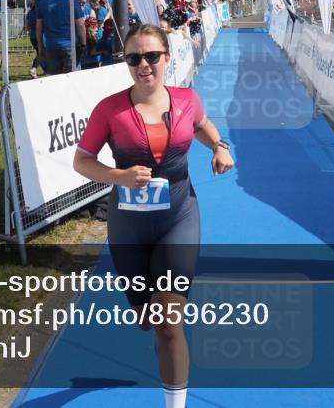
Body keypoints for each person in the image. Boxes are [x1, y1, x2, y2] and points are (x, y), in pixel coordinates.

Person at [73, 25, 234, 408]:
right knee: (147, 318)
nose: (143, 65)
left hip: (179, 217)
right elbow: (82, 161)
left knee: (167, 322)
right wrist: (119, 176)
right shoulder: (109, 110)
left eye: (150, 57)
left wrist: (220, 146)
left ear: (166, 57)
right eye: (133, 58)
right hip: (129, 225)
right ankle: (160, 340)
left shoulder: (186, 99)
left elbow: (201, 125)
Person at [35, 0, 74, 75]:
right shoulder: (71, 2)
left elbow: (38, 27)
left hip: (51, 45)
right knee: (72, 78)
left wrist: (40, 47)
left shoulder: (43, 2)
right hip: (69, 45)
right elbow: (80, 25)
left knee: (53, 78)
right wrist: (83, 44)